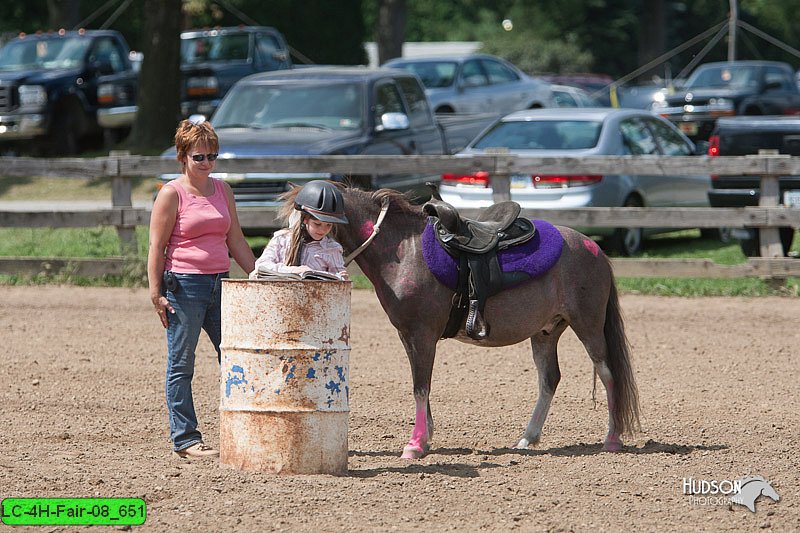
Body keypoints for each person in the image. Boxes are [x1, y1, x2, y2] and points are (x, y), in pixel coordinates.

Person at [147, 118, 256, 459]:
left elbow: (234, 239)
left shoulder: (223, 191)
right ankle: (185, 437)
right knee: (182, 364)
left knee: (237, 357)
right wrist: (155, 292)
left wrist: (260, 276)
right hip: (184, 285)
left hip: (221, 282)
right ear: (183, 157)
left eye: (212, 156)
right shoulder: (171, 194)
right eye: (199, 157)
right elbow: (156, 246)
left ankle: (244, 428)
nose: (207, 163)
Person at [251, 180, 349, 279]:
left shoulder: (332, 249)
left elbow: (339, 277)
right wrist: (292, 271)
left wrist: (341, 277)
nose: (323, 230)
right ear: (305, 219)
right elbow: (261, 266)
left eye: (328, 225)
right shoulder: (281, 239)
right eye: (317, 224)